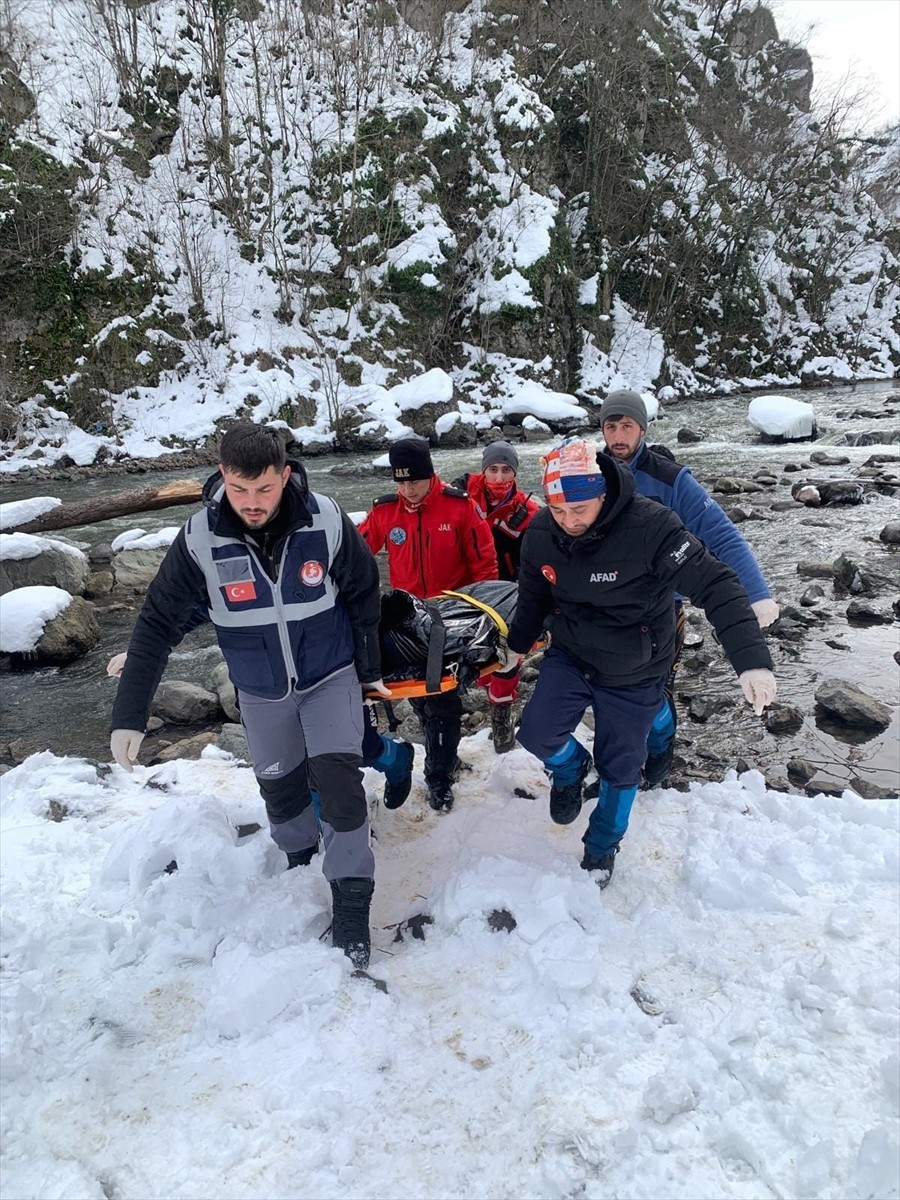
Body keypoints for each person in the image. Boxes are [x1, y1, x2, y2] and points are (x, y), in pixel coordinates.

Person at [109, 423, 385, 969]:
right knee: (281, 793)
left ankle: (352, 903)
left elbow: (362, 593)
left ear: (285, 474)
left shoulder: (326, 518)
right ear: (222, 476)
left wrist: (369, 671)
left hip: (329, 677)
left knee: (340, 788)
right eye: (239, 490)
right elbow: (157, 624)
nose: (252, 503)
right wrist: (130, 714)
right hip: (260, 691)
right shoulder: (198, 540)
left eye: (264, 489)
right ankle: (301, 856)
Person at [499, 437, 776, 889]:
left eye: (580, 511)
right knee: (536, 733)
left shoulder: (651, 526)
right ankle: (570, 770)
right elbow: (533, 598)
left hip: (635, 663)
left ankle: (602, 845)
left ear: (603, 495)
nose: (569, 522)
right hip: (572, 653)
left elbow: (718, 585)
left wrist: (751, 662)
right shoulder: (543, 531)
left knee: (621, 767)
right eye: (559, 511)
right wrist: (516, 645)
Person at [599, 388, 779, 787]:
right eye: (611, 426)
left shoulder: (672, 479)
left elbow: (722, 537)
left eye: (626, 425)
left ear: (642, 429)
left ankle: (659, 755)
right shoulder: (595, 475)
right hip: (608, 605)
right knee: (610, 689)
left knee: (656, 691)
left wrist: (756, 594)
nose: (618, 435)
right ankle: (622, 767)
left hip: (662, 607)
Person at [359, 434, 498, 811]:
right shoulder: (385, 512)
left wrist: (482, 631)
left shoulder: (460, 508)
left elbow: (485, 569)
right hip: (407, 626)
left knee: (443, 703)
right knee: (420, 699)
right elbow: (357, 554)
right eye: (400, 482)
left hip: (450, 624)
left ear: (431, 475)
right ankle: (443, 758)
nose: (408, 490)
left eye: (414, 481)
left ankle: (439, 778)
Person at [452, 440, 541, 753]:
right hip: (463, 592)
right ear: (484, 470)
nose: (500, 477)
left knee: (507, 661)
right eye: (493, 469)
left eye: (506, 470)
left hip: (505, 594)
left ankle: (501, 719)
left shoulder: (529, 514)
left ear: (515, 473)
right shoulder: (460, 496)